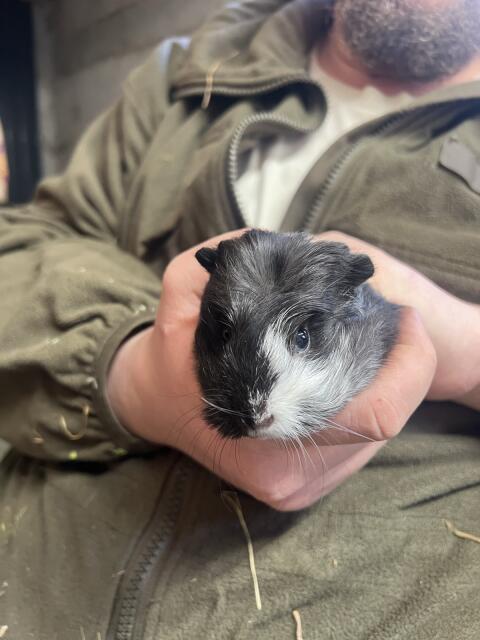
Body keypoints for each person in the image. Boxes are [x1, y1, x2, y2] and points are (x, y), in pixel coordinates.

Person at [0, 0, 479, 637]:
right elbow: (19, 245)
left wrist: (469, 356)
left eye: (303, 336)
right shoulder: (182, 73)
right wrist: (131, 371)